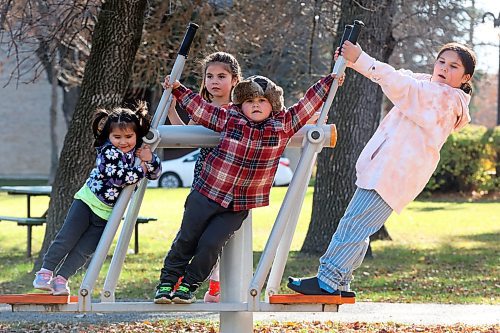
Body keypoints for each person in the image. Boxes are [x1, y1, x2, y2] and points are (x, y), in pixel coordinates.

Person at [288, 41, 476, 298]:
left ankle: (327, 281)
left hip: (392, 174)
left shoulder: (444, 99)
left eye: (453, 66)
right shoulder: (429, 86)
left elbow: (401, 84)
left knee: (353, 224)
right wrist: (353, 61)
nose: (444, 68)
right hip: (384, 170)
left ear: (465, 77)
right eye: (441, 62)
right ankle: (340, 282)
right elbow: (399, 76)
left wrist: (361, 58)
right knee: (359, 226)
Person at [154, 70, 341, 304]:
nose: (256, 105)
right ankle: (167, 283)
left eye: (262, 101)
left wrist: (329, 81)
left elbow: (306, 105)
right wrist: (178, 89)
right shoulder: (228, 118)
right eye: (250, 101)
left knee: (211, 244)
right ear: (240, 104)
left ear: (272, 105)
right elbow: (200, 108)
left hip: (239, 204)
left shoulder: (282, 125)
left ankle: (188, 285)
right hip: (207, 192)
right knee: (187, 239)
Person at [33, 102, 162, 296]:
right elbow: (119, 178)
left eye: (129, 136)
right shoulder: (107, 152)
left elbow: (156, 173)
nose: (123, 141)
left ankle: (61, 279)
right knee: (67, 238)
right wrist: (142, 168)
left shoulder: (138, 154)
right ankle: (45, 272)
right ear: (109, 136)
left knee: (85, 250)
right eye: (117, 137)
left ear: (137, 135)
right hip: (88, 202)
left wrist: (150, 158)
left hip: (108, 214)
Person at [167, 51, 242, 303]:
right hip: (204, 182)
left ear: (234, 80)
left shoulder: (240, 110)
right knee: (192, 234)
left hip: (231, 184)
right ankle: (178, 279)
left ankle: (215, 286)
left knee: (215, 240)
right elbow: (186, 137)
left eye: (222, 76)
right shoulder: (203, 108)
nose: (214, 81)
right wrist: (171, 111)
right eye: (209, 76)